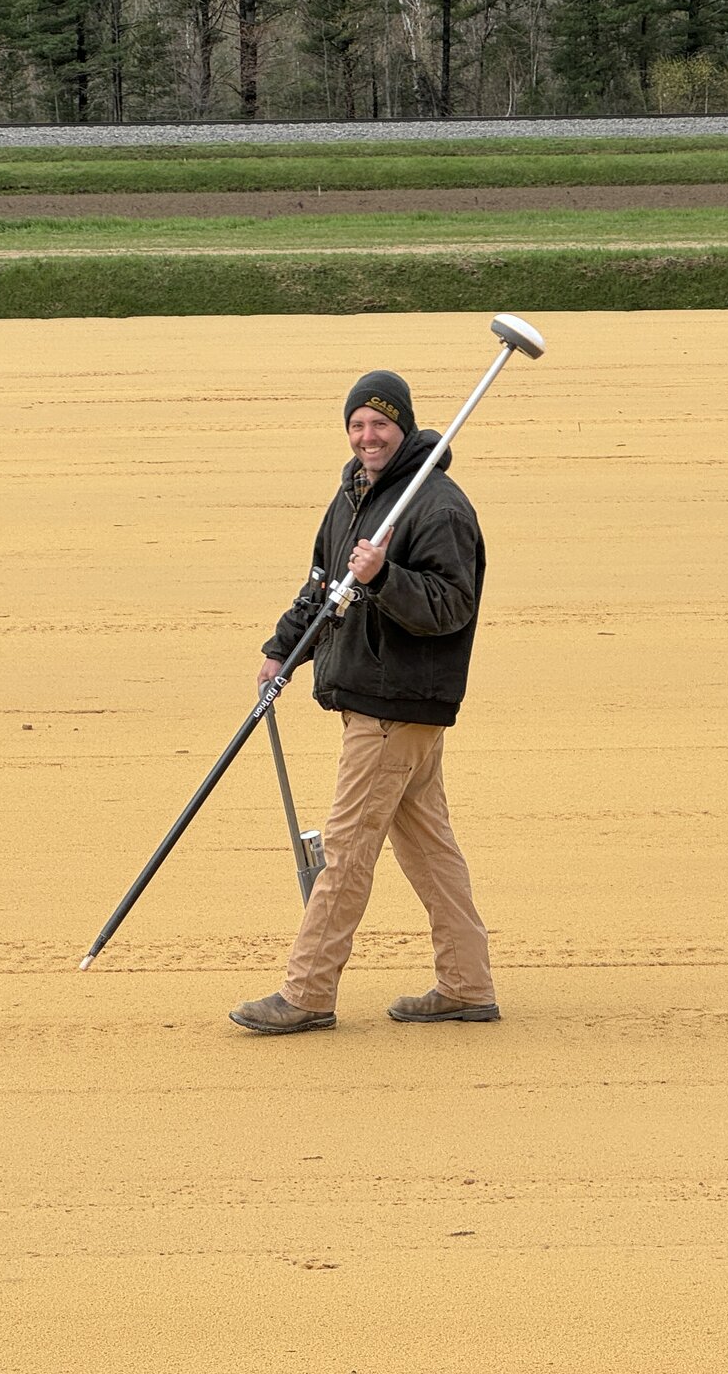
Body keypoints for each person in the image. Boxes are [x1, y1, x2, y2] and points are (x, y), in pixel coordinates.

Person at [229, 370, 499, 1035]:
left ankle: (307, 993)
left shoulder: (436, 505)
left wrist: (386, 578)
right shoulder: (354, 491)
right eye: (357, 425)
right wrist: (283, 649)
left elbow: (450, 606)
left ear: (403, 426)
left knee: (346, 849)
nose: (367, 436)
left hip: (395, 702)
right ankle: (466, 985)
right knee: (429, 848)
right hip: (376, 697)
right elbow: (323, 580)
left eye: (379, 424)